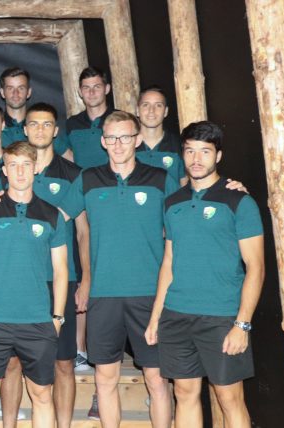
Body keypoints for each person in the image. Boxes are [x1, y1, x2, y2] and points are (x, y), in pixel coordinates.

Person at [146, 121, 264, 428]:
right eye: (190, 151)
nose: (196, 159)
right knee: (184, 393)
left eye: (205, 151)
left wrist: (242, 324)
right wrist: (156, 315)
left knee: (229, 398)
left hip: (221, 317)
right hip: (176, 314)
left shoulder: (239, 201)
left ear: (218, 156)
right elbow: (169, 261)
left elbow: (256, 267)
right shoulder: (172, 203)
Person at [63, 111, 175, 428]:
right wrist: (3, 199)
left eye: (125, 137)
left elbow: (184, 224)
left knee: (157, 379)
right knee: (105, 378)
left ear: (137, 140)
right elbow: (54, 216)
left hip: (150, 295)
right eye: (111, 137)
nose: (118, 144)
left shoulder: (160, 179)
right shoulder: (88, 179)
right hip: (104, 295)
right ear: (103, 141)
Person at [0, 103, 91, 428]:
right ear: (25, 129)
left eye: (46, 124)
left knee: (63, 363)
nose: (39, 130)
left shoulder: (72, 174)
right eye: (33, 124)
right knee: (12, 363)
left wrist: (86, 279)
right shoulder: (13, 169)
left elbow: (83, 232)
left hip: (60, 280)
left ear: (56, 131)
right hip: (20, 282)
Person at [0, 140, 69, 428]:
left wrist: (57, 317)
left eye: (26, 165)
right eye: (13, 165)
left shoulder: (52, 215)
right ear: (5, 171)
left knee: (42, 395)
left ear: (35, 168)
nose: (20, 172)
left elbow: (61, 271)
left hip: (37, 323)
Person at [65, 67, 117, 169]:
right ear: (80, 92)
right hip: (83, 179)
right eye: (86, 88)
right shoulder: (72, 123)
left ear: (107, 89)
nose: (91, 92)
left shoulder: (122, 120)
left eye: (97, 87)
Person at [134, 86, 184, 187]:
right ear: (137, 110)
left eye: (158, 105)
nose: (151, 110)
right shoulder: (126, 145)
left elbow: (185, 183)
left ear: (165, 111)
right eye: (145, 105)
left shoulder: (179, 145)